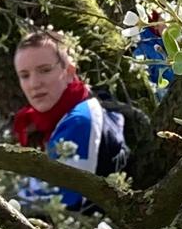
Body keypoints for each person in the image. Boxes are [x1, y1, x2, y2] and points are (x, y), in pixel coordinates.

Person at [11, 29, 127, 211]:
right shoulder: (51, 120)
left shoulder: (79, 120)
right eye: (25, 75)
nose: (34, 83)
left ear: (69, 72)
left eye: (45, 70)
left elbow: (55, 208)